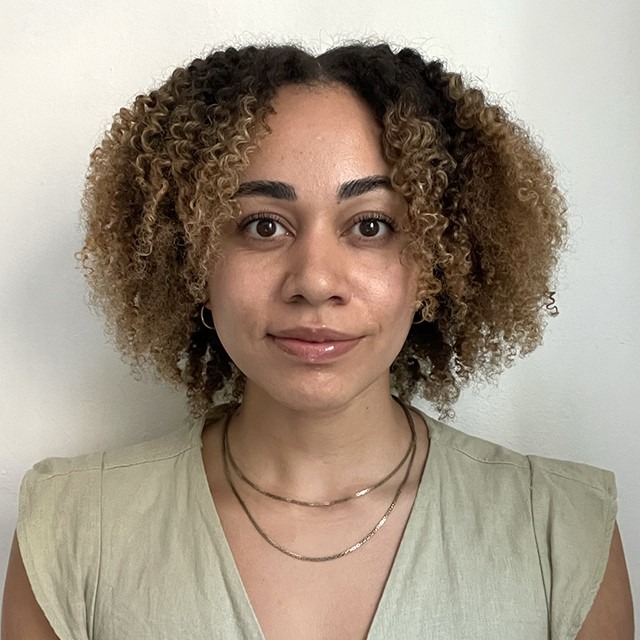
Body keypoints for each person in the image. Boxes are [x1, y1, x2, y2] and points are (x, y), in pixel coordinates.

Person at [1, 43, 634, 639]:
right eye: (264, 224)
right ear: (190, 256)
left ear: (442, 257)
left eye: (371, 224)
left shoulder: (560, 533)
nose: (315, 281)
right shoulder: (72, 530)